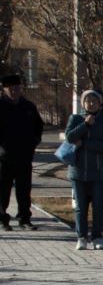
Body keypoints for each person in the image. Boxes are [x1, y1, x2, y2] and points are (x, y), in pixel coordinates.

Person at [64, 88, 103, 249]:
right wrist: (85, 124)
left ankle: (96, 236)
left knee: (98, 206)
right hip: (78, 171)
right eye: (88, 101)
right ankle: (81, 237)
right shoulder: (75, 118)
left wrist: (86, 144)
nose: (91, 104)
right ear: (83, 103)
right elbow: (70, 137)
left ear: (100, 103)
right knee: (80, 206)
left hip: (98, 172)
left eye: (95, 101)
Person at [0, 71, 44, 230]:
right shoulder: (1, 106)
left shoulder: (28, 107)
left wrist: (34, 141)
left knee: (24, 189)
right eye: (11, 88)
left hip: (24, 156)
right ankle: (2, 219)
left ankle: (24, 218)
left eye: (17, 88)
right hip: (4, 157)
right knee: (2, 189)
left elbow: (38, 126)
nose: (14, 91)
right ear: (4, 89)